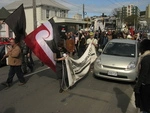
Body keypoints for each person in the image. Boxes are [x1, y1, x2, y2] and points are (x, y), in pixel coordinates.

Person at [134, 39, 150, 113]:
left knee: (144, 106)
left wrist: (137, 86)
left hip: (146, 85)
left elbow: (143, 74)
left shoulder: (146, 58)